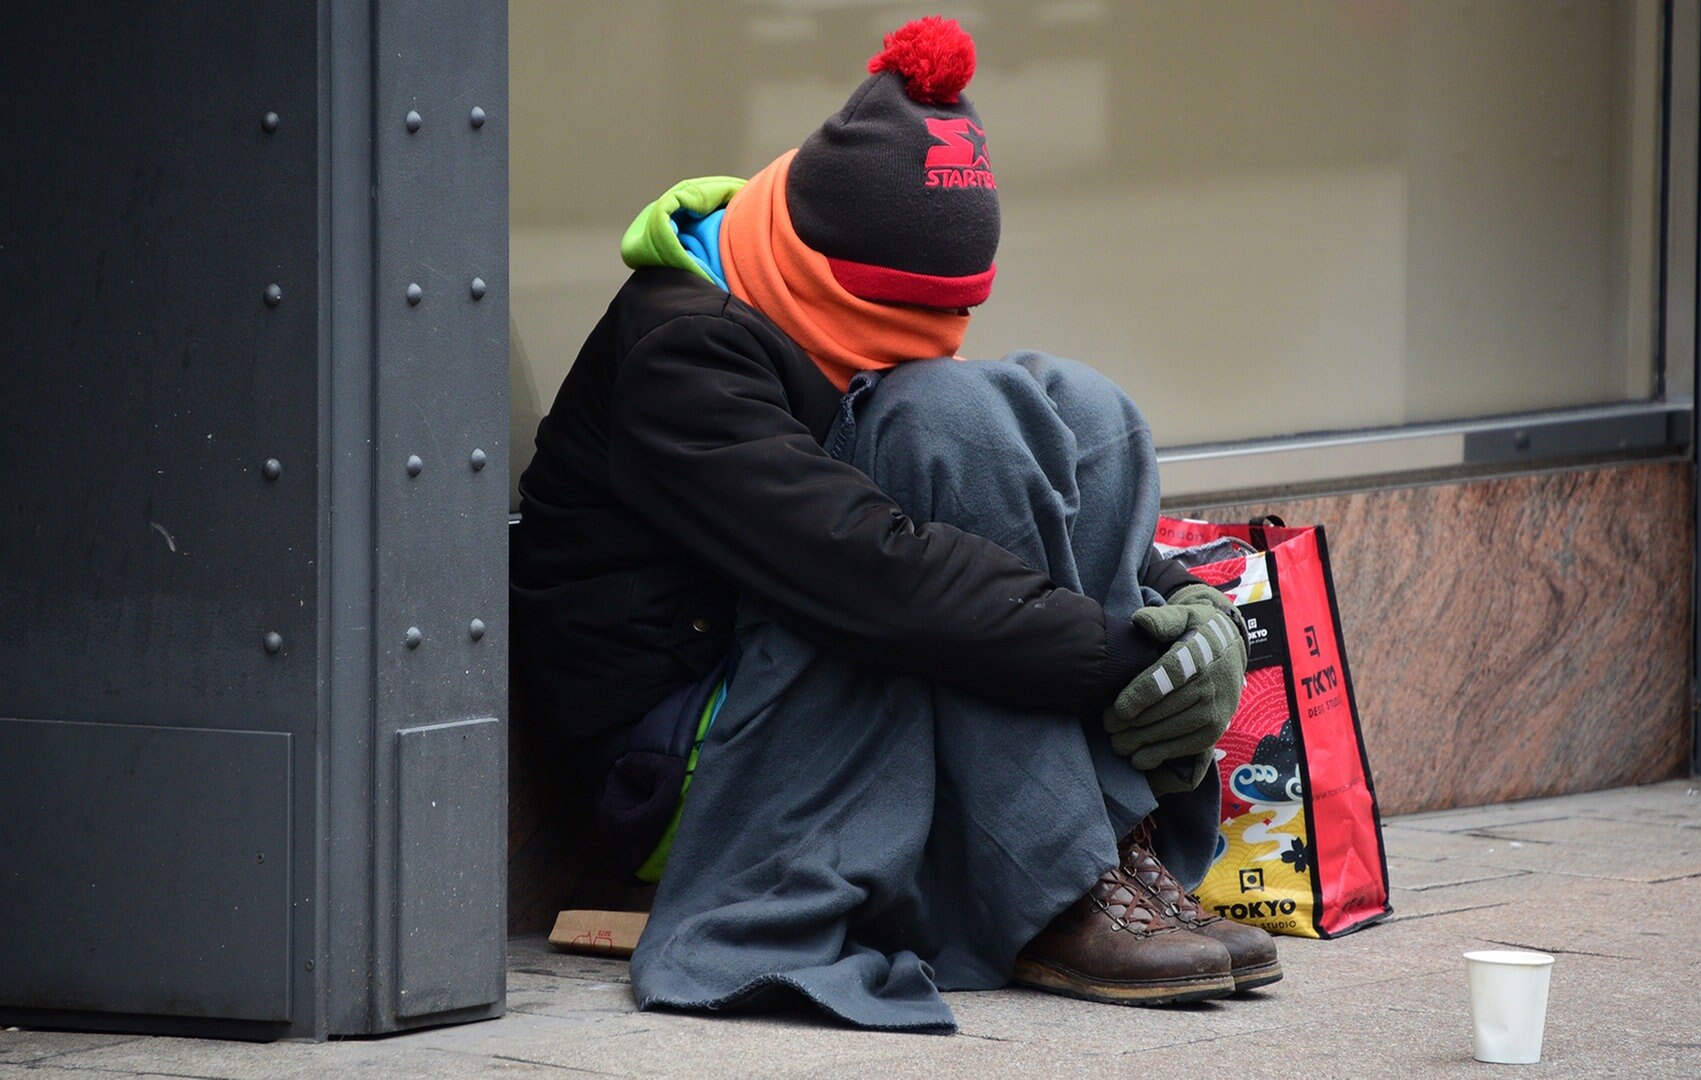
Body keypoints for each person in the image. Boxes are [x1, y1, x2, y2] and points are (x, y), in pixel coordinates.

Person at [510, 16, 1275, 1033]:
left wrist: (1186, 612)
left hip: (815, 666)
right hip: (682, 775)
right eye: (886, 331)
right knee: (947, 426)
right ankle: (1055, 888)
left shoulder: (808, 297)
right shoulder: (681, 355)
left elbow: (995, 522)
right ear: (817, 270)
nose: (914, 353)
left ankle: (1105, 853)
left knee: (1080, 408)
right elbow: (878, 575)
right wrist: (1123, 658)